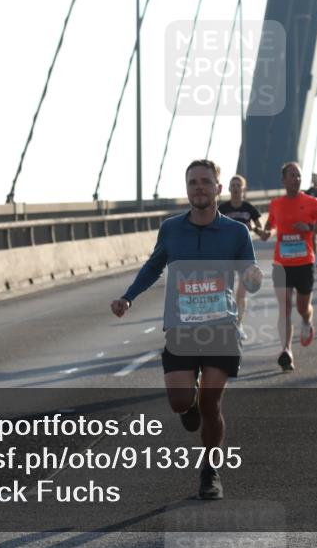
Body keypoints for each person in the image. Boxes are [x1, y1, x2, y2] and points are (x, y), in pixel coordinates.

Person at [111, 159, 263, 500]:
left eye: (206, 182)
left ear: (218, 189)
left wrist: (254, 278)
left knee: (212, 405)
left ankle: (210, 471)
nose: (199, 187)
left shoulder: (236, 232)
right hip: (182, 327)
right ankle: (189, 403)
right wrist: (128, 297)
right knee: (181, 402)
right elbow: (153, 266)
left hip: (221, 327)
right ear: (187, 188)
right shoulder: (171, 229)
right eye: (193, 182)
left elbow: (249, 274)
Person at [263, 162, 317, 371]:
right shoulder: (275, 204)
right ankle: (286, 350)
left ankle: (307, 321)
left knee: (303, 308)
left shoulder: (312, 202)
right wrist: (266, 232)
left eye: (299, 176)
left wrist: (310, 227)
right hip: (281, 263)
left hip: (304, 263)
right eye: (292, 176)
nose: (296, 179)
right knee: (284, 307)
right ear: (283, 180)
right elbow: (271, 227)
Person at [218, 174, 266, 324]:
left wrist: (254, 229)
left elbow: (260, 227)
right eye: (233, 185)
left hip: (244, 251)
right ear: (229, 189)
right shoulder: (222, 208)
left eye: (239, 185)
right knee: (227, 289)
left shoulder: (248, 208)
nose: (236, 188)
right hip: (226, 252)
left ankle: (238, 323)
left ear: (243, 189)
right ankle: (228, 318)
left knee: (242, 291)